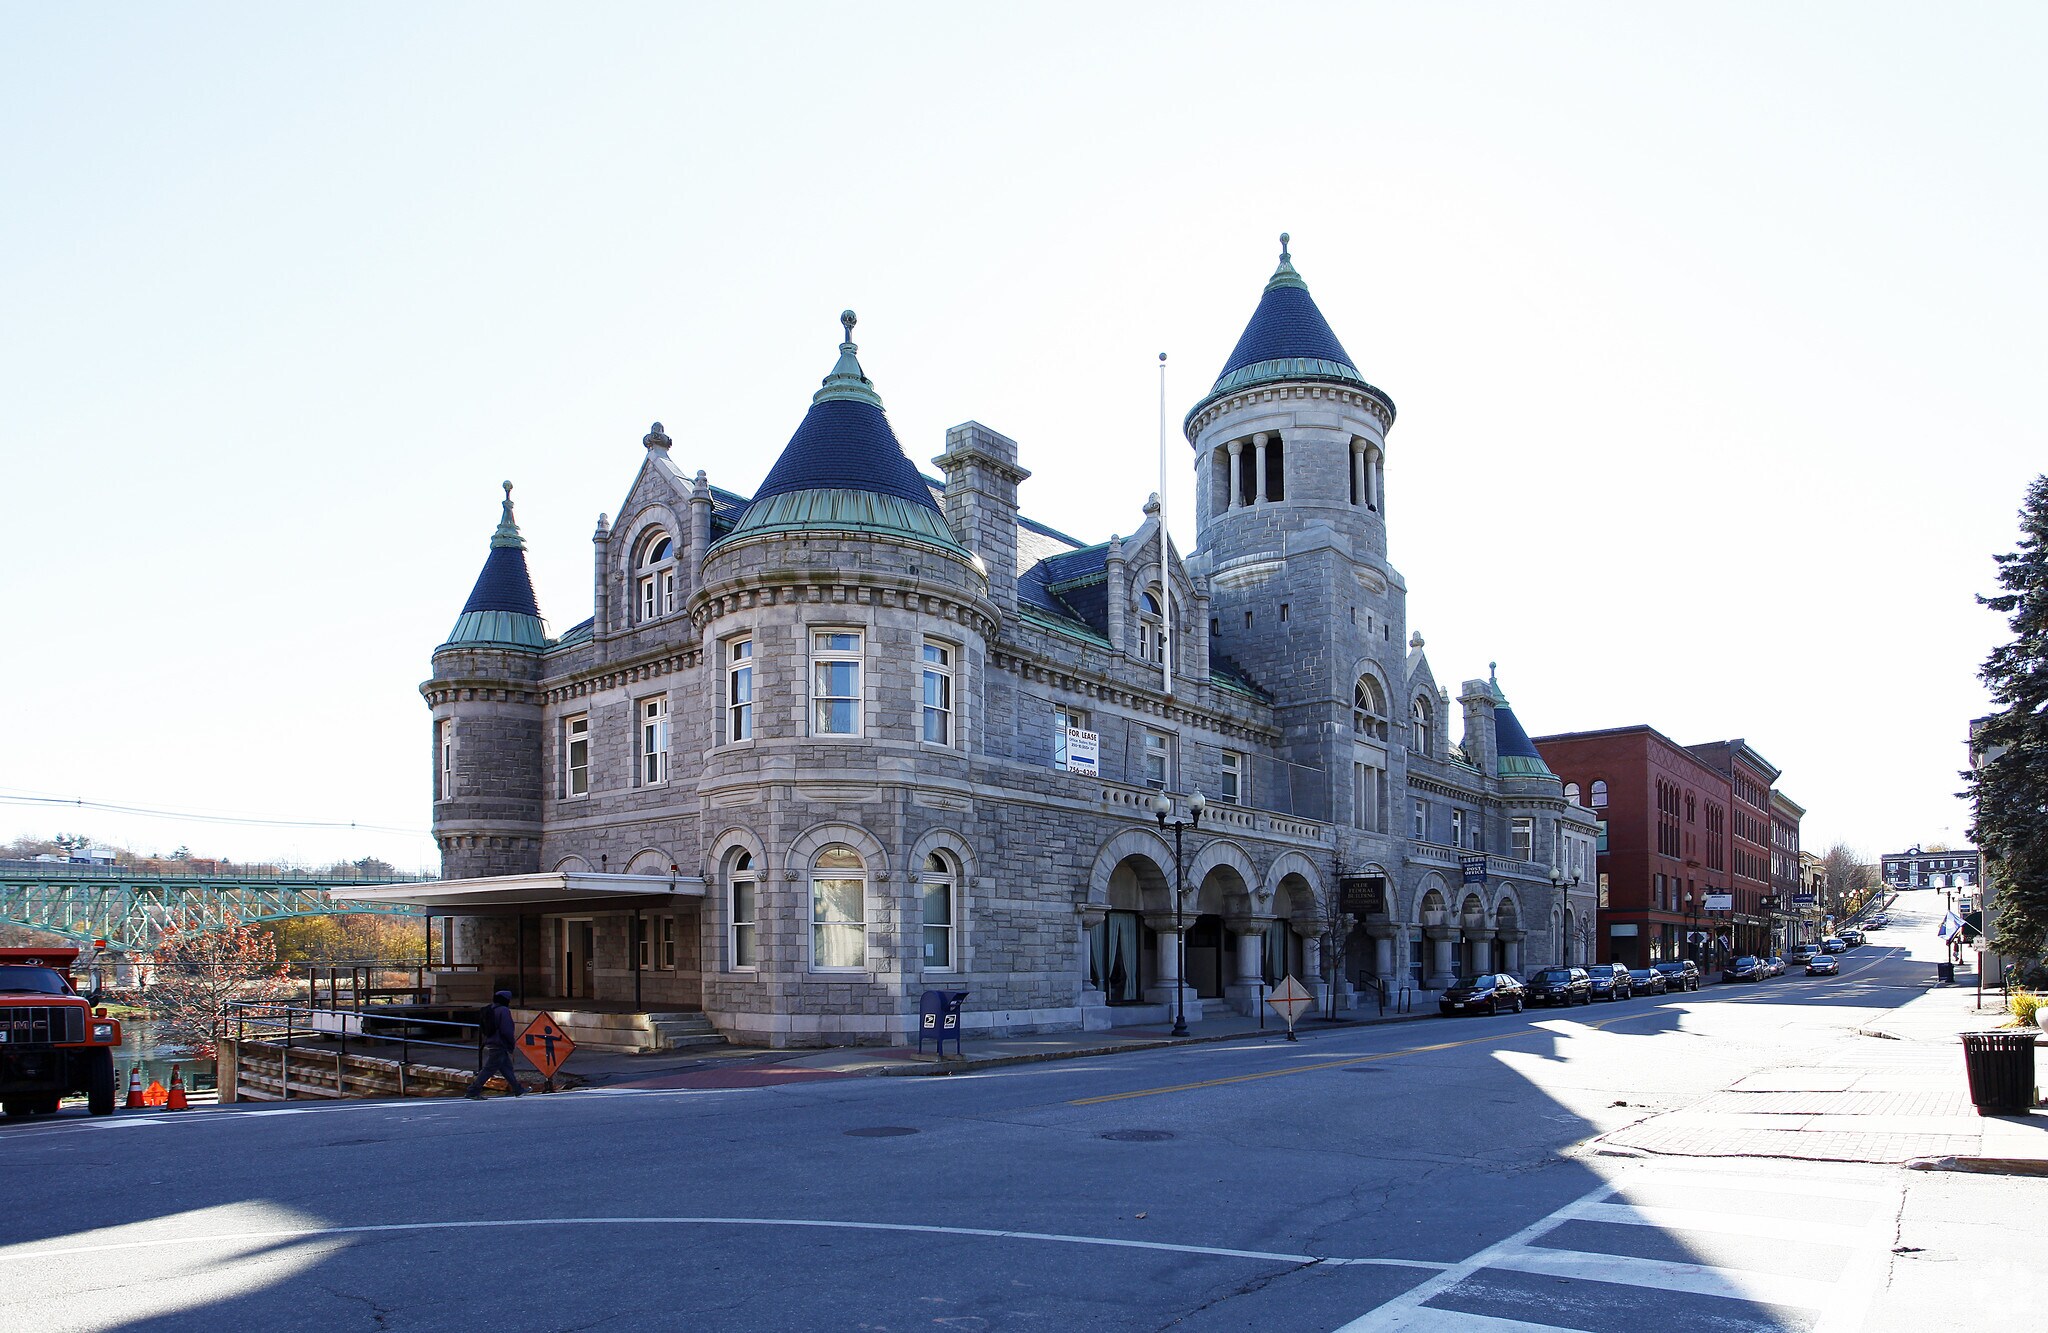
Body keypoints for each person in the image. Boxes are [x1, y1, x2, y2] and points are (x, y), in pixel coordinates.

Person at [465, 990, 525, 1099]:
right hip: (500, 1043)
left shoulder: (490, 1009)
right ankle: (472, 1091)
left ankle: (518, 1089)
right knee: (489, 1069)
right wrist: (511, 1044)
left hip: (492, 1042)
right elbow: (507, 1030)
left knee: (506, 1068)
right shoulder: (504, 1011)